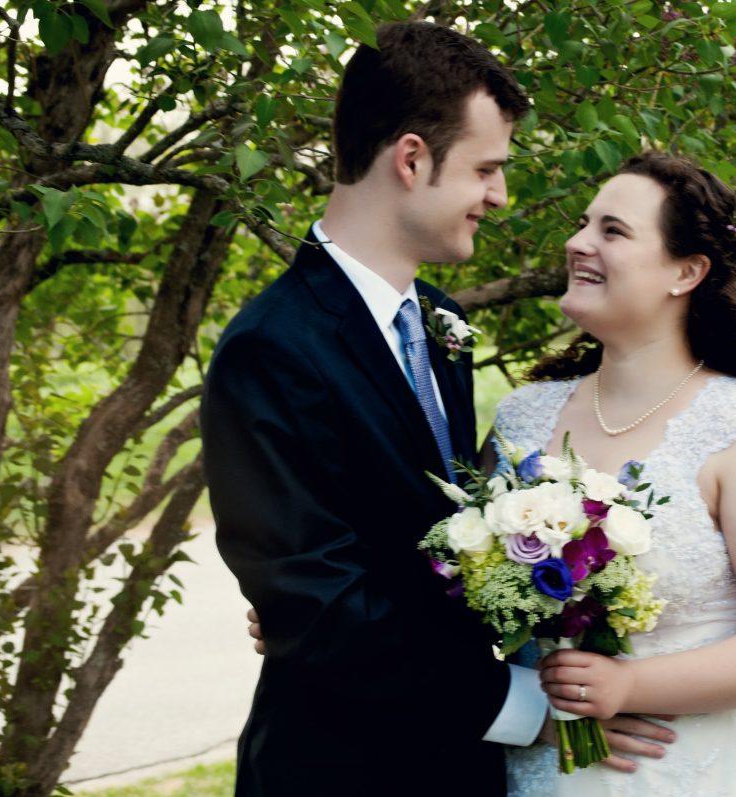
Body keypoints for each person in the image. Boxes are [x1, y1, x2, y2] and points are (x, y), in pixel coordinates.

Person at [204, 22, 674, 795]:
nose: (500, 195)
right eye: (487, 168)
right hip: (341, 768)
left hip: (453, 760)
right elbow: (319, 611)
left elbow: (433, 549)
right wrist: (528, 707)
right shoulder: (272, 349)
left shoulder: (441, 324)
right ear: (412, 158)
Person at [493, 151, 736, 796]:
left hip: (692, 769)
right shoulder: (520, 418)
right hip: (538, 767)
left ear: (687, 271)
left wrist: (630, 684)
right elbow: (453, 591)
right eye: (583, 223)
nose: (577, 243)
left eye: (612, 231)